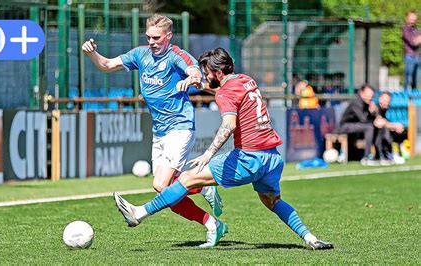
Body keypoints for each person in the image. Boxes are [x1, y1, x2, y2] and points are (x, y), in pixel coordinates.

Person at [114, 47, 334, 250]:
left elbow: (229, 124)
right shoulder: (246, 80)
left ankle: (139, 213)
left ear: (215, 71)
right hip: (272, 159)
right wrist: (195, 84)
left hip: (249, 158)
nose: (204, 75)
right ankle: (310, 238)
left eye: (205, 72)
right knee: (272, 201)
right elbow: (223, 89)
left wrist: (208, 154)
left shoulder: (224, 94)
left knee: (188, 179)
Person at [82, 14, 223, 242]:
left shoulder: (176, 55)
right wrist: (91, 54)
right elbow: (107, 64)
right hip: (160, 131)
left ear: (168, 36)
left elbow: (194, 71)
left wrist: (192, 78)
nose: (152, 42)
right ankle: (209, 213)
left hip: (180, 126)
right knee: (163, 190)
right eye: (148, 37)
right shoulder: (141, 54)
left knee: (160, 183)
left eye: (156, 37)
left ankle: (206, 207)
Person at [336, 84, 378, 165]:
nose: (370, 98)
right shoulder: (356, 102)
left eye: (371, 96)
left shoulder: (366, 103)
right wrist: (372, 113)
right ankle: (366, 157)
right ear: (361, 93)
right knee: (369, 127)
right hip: (344, 127)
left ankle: (380, 154)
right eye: (368, 95)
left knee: (373, 127)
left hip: (356, 127)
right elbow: (364, 120)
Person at [373, 92, 405, 165]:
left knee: (397, 131)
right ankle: (388, 154)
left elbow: (385, 121)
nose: (386, 103)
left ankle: (395, 153)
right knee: (385, 130)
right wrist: (395, 126)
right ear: (380, 99)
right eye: (385, 101)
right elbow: (379, 122)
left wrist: (394, 127)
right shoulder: (376, 107)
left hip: (375, 131)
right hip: (366, 132)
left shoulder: (383, 109)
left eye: (388, 101)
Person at [402, 11, 421, 90]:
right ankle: (405, 95)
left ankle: (413, 97)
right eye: (411, 18)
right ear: (407, 18)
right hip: (409, 56)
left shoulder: (416, 29)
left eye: (414, 19)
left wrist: (418, 39)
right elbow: (413, 42)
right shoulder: (405, 29)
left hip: (418, 57)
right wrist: (418, 39)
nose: (413, 20)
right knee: (408, 78)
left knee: (416, 79)